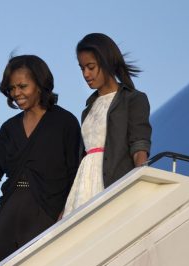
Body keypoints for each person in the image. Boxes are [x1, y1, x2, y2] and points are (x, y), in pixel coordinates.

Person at [0, 55, 81, 266]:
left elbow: (75, 171)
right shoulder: (8, 129)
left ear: (40, 83)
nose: (16, 93)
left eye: (22, 86)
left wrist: (65, 212)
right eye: (11, 88)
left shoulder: (65, 122)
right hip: (9, 211)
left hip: (48, 211)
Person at [62, 33, 152, 217]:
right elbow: (83, 157)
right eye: (82, 68)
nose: (86, 74)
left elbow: (139, 145)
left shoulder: (133, 99)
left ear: (107, 62)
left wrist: (139, 182)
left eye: (91, 67)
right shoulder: (88, 109)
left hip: (112, 180)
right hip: (83, 185)